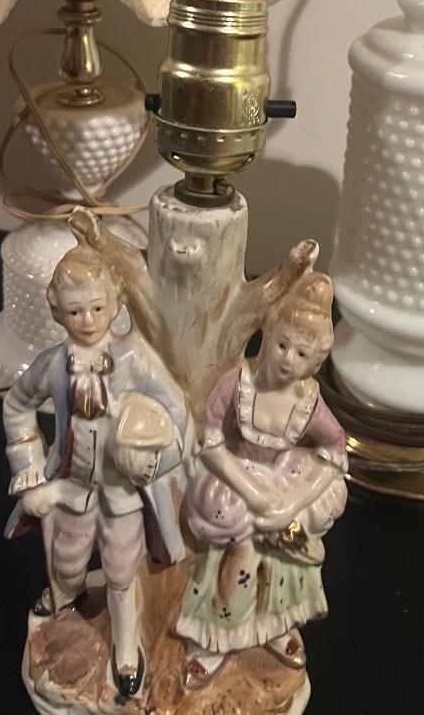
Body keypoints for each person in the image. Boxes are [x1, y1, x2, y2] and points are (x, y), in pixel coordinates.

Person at [2, 243, 192, 701]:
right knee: (65, 561)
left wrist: (152, 459)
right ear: (57, 312)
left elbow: (178, 414)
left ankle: (126, 649)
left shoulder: (134, 358)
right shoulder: (53, 364)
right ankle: (64, 600)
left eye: (97, 308)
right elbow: (17, 405)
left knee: (121, 573)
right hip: (71, 487)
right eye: (74, 311)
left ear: (116, 303)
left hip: (122, 492)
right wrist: (29, 465)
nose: (87, 320)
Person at [177, 271, 347, 690]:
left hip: (283, 483)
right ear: (267, 337)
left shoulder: (307, 402)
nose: (288, 360)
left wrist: (292, 501)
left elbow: (336, 450)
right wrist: (254, 493)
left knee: (285, 562)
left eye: (302, 354)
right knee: (237, 556)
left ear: (316, 362)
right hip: (236, 477)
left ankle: (276, 628)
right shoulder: (238, 383)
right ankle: (216, 639)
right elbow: (210, 440)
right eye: (282, 345)